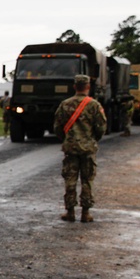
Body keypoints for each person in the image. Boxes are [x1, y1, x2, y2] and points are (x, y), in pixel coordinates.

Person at [52, 74, 106, 223]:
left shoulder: (65, 104)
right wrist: (92, 139)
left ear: (75, 86)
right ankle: (85, 213)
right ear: (88, 86)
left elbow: (57, 126)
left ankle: (70, 212)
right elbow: (101, 127)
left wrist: (67, 139)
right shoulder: (94, 105)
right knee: (87, 180)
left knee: (70, 179)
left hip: (71, 148)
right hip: (88, 148)